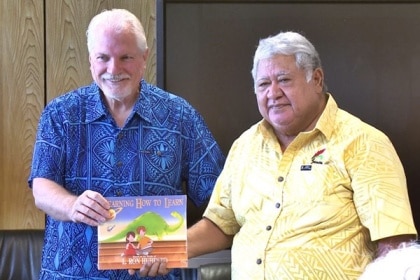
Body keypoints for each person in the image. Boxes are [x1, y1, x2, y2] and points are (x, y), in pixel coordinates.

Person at [184, 31, 418, 279]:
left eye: (283, 80)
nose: (272, 93)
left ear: (316, 79)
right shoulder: (244, 146)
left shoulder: (364, 143)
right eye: (263, 84)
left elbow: (396, 251)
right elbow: (221, 224)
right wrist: (162, 251)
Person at [28, 8, 225, 280]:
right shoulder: (61, 114)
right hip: (70, 274)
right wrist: (72, 205)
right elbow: (41, 187)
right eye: (103, 58)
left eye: (125, 57)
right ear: (90, 61)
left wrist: (175, 248)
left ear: (144, 58)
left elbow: (223, 206)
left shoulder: (180, 117)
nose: (113, 69)